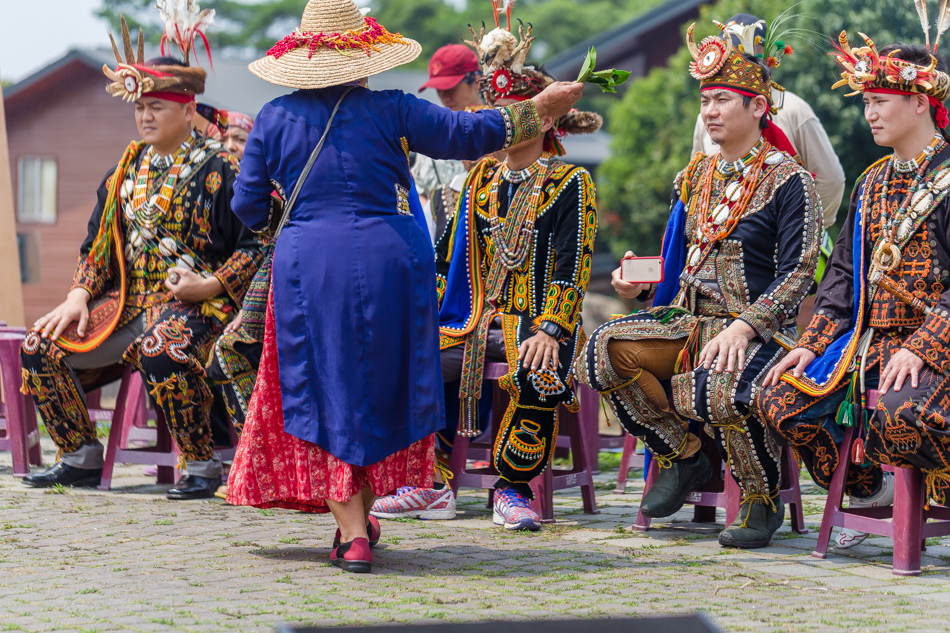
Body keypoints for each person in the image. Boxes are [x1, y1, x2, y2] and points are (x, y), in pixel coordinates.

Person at [225, 0, 584, 574]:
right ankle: (361, 519)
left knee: (328, 388)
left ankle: (352, 534)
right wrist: (540, 110)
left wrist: (295, 217)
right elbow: (471, 133)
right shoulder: (395, 109)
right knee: (377, 386)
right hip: (395, 261)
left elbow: (246, 205)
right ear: (365, 58)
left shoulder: (272, 118)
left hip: (312, 266)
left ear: (304, 60)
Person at [574, 19, 822, 549]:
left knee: (720, 384)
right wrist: (639, 288)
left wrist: (746, 326)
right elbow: (682, 260)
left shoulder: (790, 179)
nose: (709, 111)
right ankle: (683, 455)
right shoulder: (695, 177)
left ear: (758, 106)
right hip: (686, 319)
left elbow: (801, 270)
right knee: (601, 350)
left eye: (722, 100)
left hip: (755, 331)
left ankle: (760, 497)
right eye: (705, 100)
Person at [371, 12, 601, 532]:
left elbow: (575, 268)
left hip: (537, 322)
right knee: (416, 353)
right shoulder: (479, 182)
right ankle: (431, 484)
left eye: (509, 114)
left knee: (536, 366)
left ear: (538, 119)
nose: (493, 126)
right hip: (473, 318)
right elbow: (444, 260)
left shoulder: (571, 183)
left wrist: (551, 327)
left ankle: (512, 488)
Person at [19, 10, 261, 500]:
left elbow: (257, 243)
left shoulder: (223, 172)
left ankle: (202, 464)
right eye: (140, 108)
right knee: (39, 345)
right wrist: (78, 294)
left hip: (200, 307)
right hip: (126, 304)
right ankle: (79, 458)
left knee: (162, 348)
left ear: (189, 110)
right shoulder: (122, 175)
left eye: (158, 107)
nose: (145, 117)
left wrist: (211, 286)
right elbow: (96, 247)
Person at [758, 27, 950, 548]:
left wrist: (922, 346)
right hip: (869, 343)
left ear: (918, 101)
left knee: (897, 413)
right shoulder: (870, 181)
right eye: (866, 102)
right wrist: (810, 344)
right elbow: (842, 276)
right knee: (778, 397)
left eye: (880, 101)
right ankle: (871, 492)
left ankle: (935, 493)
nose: (870, 113)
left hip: (937, 344)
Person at [691, 14, 846, 230]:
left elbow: (830, 182)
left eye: (748, 52)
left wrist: (802, 229)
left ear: (766, 55)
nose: (738, 59)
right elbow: (699, 189)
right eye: (729, 52)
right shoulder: (706, 117)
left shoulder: (793, 108)